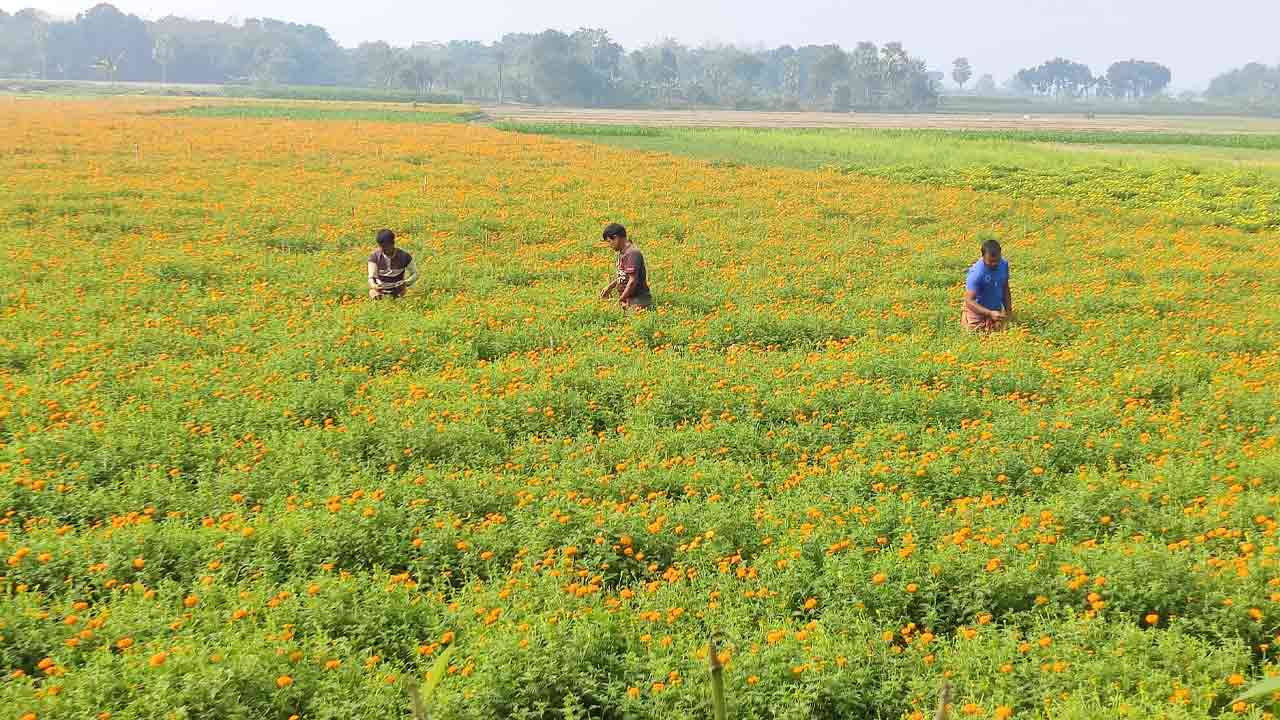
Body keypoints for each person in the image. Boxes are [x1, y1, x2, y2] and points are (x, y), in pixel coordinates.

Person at [962, 237, 1012, 332]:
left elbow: (1005, 287)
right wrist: (989, 313)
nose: (995, 264)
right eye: (991, 261)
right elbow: (969, 300)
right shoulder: (977, 273)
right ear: (983, 257)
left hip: (995, 310)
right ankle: (966, 318)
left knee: (1000, 332)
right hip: (977, 311)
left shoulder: (1003, 264)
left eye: (997, 260)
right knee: (977, 334)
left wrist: (1009, 311)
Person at [599, 223, 652, 310]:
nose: (609, 245)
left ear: (616, 238)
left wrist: (620, 300)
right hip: (628, 300)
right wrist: (609, 287)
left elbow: (632, 281)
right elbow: (624, 275)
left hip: (637, 301)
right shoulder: (623, 252)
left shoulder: (632, 253)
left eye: (609, 241)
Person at [367, 229, 418, 300]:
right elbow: (371, 277)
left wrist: (406, 282)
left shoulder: (404, 256)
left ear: (393, 243)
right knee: (374, 295)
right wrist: (374, 285)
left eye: (386, 246)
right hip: (379, 290)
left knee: (408, 298)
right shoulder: (374, 257)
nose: (383, 249)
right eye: (381, 247)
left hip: (398, 289)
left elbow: (414, 273)